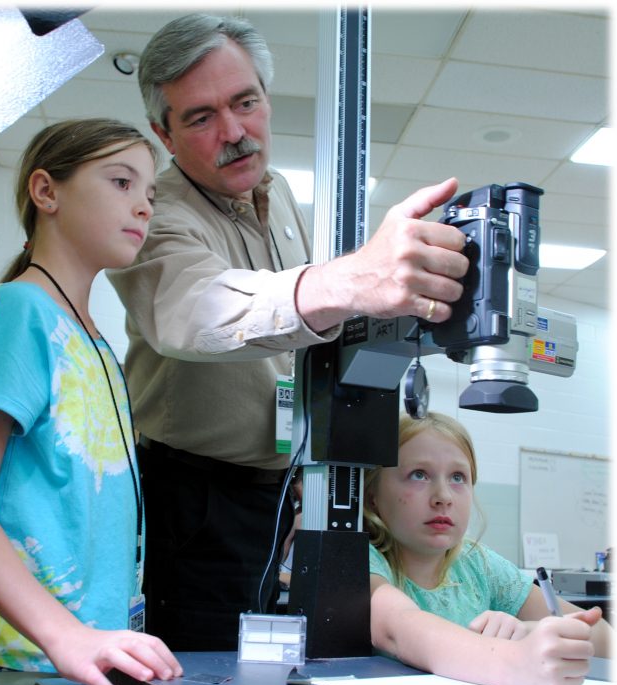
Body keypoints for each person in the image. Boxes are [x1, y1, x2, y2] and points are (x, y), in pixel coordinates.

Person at [107, 12, 469, 651]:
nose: (234, 132)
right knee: (201, 678)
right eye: (200, 117)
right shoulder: (151, 213)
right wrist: (349, 280)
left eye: (245, 103)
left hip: (284, 490)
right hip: (192, 499)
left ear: (267, 99)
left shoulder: (281, 201)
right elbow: (196, 310)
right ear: (164, 133)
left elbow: (305, 336)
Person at [0, 118, 183, 685]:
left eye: (150, 193)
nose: (142, 205)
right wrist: (66, 635)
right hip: (6, 673)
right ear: (47, 191)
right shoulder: (20, 313)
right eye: (121, 182)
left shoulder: (95, 342)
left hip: (74, 670)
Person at [364, 412, 612, 685]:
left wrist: (529, 633)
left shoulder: (478, 564)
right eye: (418, 475)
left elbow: (604, 638)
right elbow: (401, 629)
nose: (443, 496)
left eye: (458, 477)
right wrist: (514, 660)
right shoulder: (363, 560)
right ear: (373, 495)